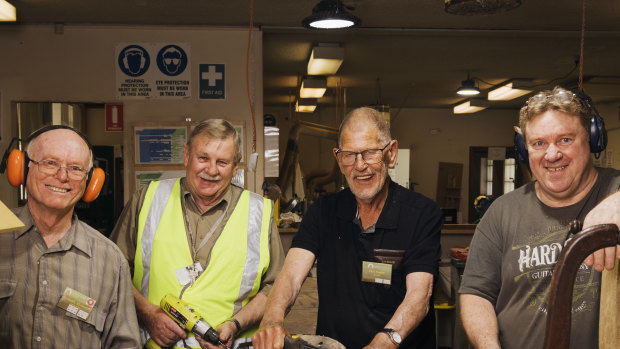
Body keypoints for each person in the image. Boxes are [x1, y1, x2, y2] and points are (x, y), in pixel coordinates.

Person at [252, 107, 443, 349]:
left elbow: (419, 296)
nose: (359, 165)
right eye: (349, 155)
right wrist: (272, 319)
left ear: (391, 154)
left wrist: (385, 342)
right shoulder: (323, 211)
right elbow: (290, 275)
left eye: (369, 153)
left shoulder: (422, 214)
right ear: (339, 160)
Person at [459, 86, 620, 349]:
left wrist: (617, 201)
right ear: (524, 149)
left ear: (592, 139)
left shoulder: (614, 190)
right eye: (539, 143)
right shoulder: (502, 212)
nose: (552, 154)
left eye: (565, 140)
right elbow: (476, 293)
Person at [110, 119, 285, 349]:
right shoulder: (147, 200)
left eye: (222, 162)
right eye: (203, 158)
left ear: (235, 166)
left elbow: (275, 288)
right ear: (186, 155)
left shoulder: (259, 212)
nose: (211, 170)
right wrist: (148, 314)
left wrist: (235, 324)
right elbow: (112, 270)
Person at [0, 125, 140, 348]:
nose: (62, 176)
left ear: (91, 182)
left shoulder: (110, 260)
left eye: (75, 168)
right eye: (50, 163)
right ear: (22, 168)